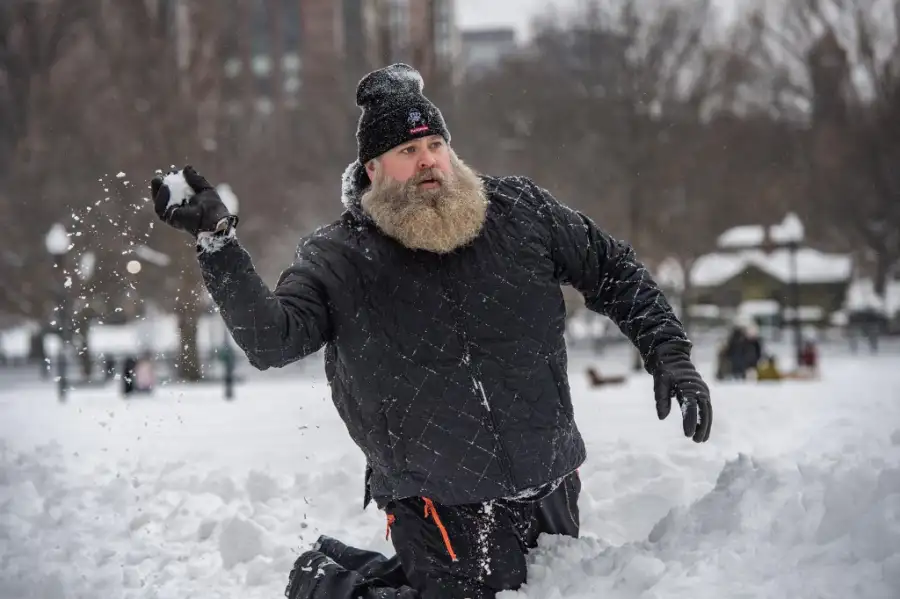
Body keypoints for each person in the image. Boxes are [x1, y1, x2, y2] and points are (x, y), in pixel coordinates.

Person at [148, 63, 713, 599]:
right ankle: (324, 584)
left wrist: (669, 353)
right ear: (373, 169)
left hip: (548, 476)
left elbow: (611, 268)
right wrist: (217, 243)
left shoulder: (519, 211)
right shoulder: (339, 257)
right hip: (434, 496)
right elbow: (273, 339)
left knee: (547, 588)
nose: (428, 163)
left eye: (435, 146)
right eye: (407, 151)